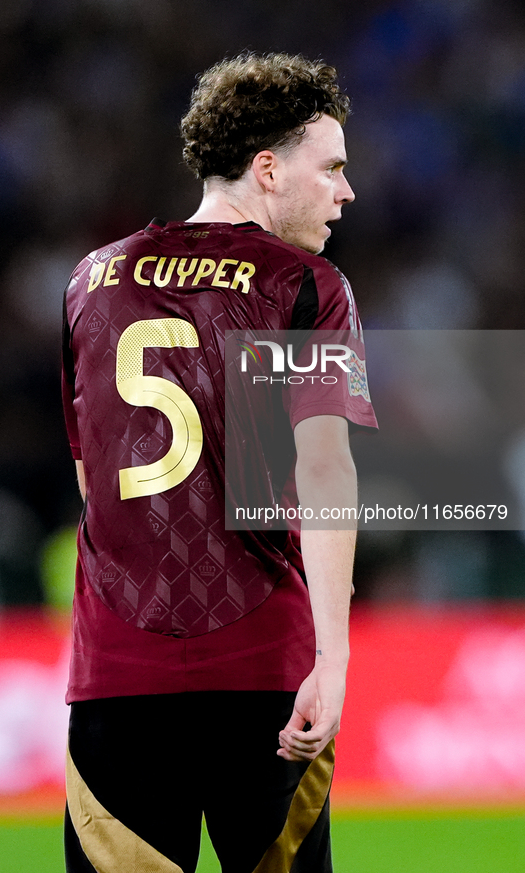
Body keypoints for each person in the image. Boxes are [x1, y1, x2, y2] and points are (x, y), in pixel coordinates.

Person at [61, 52, 377, 873]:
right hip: (261, 673)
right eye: (333, 167)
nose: (346, 192)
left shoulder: (90, 282)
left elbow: (91, 480)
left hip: (116, 676)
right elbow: (325, 472)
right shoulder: (302, 286)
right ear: (267, 169)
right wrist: (333, 662)